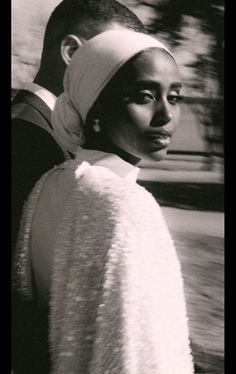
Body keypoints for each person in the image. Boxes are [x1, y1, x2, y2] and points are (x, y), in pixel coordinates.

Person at [13, 30, 194, 373]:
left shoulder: (49, 185)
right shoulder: (126, 206)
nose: (166, 114)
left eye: (174, 96)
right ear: (94, 106)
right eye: (144, 96)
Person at [11, 0, 146, 250]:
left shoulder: (48, 130)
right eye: (118, 63)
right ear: (72, 53)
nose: (132, 80)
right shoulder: (25, 139)